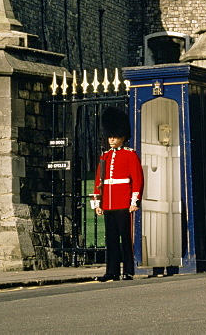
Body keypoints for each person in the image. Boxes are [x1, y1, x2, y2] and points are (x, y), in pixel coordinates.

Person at [90, 107, 144, 282]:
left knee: (125, 239)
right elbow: (99, 183)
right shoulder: (105, 157)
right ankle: (111, 271)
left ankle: (128, 270)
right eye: (110, 136)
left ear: (122, 137)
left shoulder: (130, 155)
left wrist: (134, 200)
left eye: (115, 136)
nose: (111, 139)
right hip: (108, 204)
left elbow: (137, 179)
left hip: (123, 203)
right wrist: (97, 204)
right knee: (111, 240)